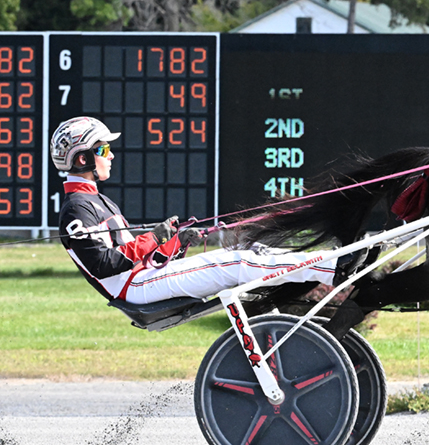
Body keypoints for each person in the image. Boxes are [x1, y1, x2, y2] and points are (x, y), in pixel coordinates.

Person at [52, 116, 340, 305]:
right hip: (135, 288)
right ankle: (334, 269)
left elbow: (141, 257)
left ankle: (333, 259)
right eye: (103, 150)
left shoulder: (98, 200)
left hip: (144, 278)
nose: (111, 155)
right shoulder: (76, 210)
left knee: (250, 253)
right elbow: (104, 264)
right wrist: (154, 237)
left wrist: (177, 242)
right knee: (238, 263)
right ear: (81, 158)